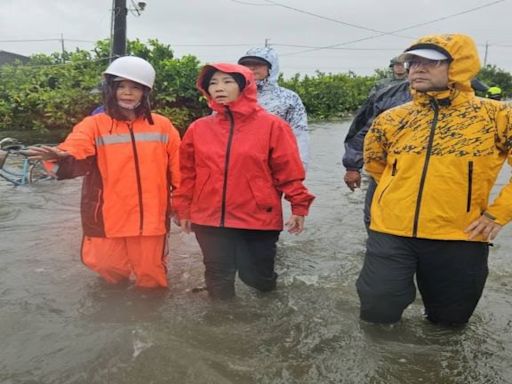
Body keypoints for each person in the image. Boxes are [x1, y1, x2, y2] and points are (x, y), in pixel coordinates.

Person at [356, 33, 512, 326]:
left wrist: (498, 214)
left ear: (460, 66)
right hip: (391, 232)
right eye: (413, 61)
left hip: (459, 236)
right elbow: (376, 165)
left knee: (449, 323)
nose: (417, 68)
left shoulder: (497, 117)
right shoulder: (391, 119)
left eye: (430, 62)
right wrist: (396, 197)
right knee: (377, 311)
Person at [25, 56, 181, 289]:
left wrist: (182, 204)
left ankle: (149, 317)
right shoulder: (93, 124)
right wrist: (60, 156)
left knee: (151, 279)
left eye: (135, 87)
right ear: (111, 89)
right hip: (106, 215)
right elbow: (77, 148)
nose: (127, 93)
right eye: (121, 86)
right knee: (108, 270)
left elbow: (179, 168)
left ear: (145, 93)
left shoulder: (162, 125)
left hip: (151, 219)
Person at [173, 63, 315, 300]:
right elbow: (187, 174)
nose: (219, 88)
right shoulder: (198, 128)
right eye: (213, 83)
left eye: (228, 82)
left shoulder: (273, 126)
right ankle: (222, 326)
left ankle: (268, 317)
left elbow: (288, 171)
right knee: (218, 277)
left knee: (258, 278)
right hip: (209, 218)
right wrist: (182, 209)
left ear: (244, 87)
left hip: (257, 218)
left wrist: (299, 206)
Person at [238, 47, 310, 169]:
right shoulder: (232, 94)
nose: (252, 68)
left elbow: (299, 134)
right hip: (237, 164)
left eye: (258, 64)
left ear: (271, 68)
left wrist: (299, 169)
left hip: (274, 164)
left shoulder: (289, 98)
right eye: (247, 64)